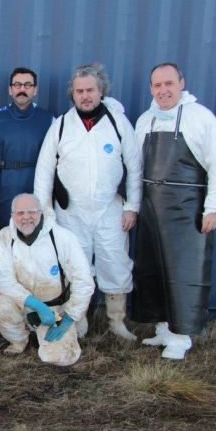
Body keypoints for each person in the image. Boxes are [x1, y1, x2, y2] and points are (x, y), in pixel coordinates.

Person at [34, 63, 142, 341]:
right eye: (79, 91)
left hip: (111, 210)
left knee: (115, 263)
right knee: (75, 267)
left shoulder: (118, 123)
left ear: (101, 90)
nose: (85, 96)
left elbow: (135, 167)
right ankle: (77, 319)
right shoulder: (60, 126)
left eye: (90, 90)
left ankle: (116, 321)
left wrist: (132, 206)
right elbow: (44, 171)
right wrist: (46, 212)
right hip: (71, 213)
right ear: (73, 94)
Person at [132, 63, 216, 360]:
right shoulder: (145, 120)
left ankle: (181, 335)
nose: (162, 90)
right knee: (154, 269)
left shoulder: (200, 118)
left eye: (168, 84)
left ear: (181, 84)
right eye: (157, 85)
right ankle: (163, 327)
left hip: (186, 208)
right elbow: (136, 169)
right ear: (151, 88)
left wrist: (214, 207)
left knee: (183, 271)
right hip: (151, 206)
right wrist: (133, 206)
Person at [0, 194, 94, 366]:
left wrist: (68, 317)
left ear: (41, 213)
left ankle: (70, 326)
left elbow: (84, 281)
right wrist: (36, 306)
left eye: (32, 212)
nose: (26, 218)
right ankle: (20, 340)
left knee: (58, 357)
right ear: (12, 215)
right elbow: (3, 281)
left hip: (55, 312)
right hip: (26, 305)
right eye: (20, 213)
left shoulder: (61, 237)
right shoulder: (4, 238)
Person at [0, 67, 54, 241]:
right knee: (3, 236)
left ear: (35, 89)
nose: (22, 89)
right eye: (17, 85)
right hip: (3, 191)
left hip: (36, 188)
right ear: (10, 89)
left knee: (34, 236)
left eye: (28, 85)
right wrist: (3, 177)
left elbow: (55, 160)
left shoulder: (49, 120)